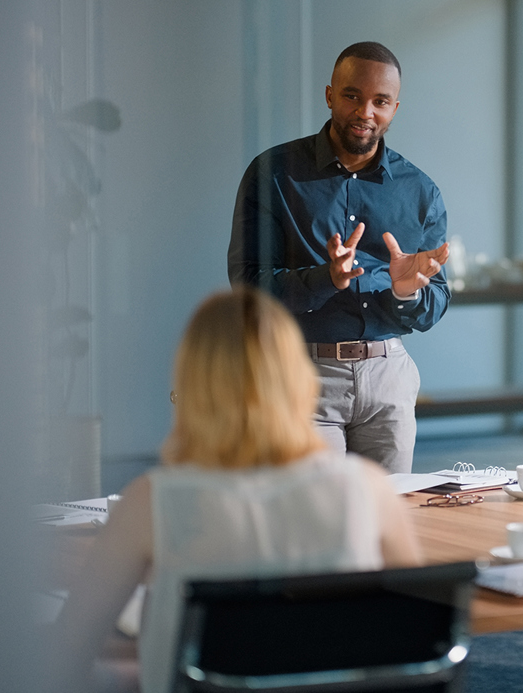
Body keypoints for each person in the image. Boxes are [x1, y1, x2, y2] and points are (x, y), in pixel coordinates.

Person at [52, 289, 423, 693]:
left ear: (192, 386)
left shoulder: (151, 502)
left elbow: (68, 649)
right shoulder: (369, 489)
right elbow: (419, 633)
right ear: (298, 378)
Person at [228, 41, 450, 473]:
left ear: (394, 108)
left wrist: (406, 294)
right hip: (302, 375)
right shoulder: (273, 173)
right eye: (352, 96)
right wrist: (326, 278)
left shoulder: (420, 191)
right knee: (317, 521)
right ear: (330, 95)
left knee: (387, 520)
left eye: (380, 101)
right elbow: (248, 283)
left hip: (388, 376)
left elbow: (437, 301)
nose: (365, 112)